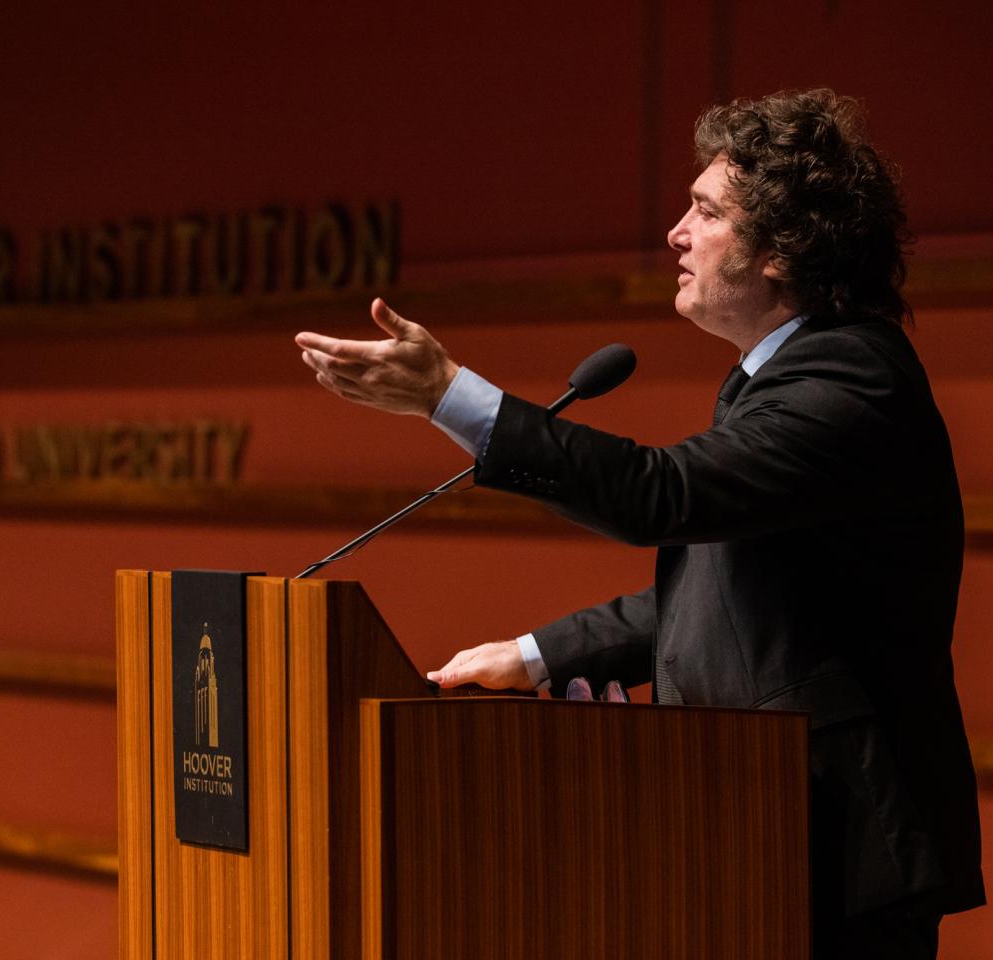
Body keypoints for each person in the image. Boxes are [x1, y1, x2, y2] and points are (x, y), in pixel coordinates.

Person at [295, 89, 984, 958]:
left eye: (705, 210)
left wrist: (450, 397)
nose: (675, 233)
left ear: (783, 249)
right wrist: (536, 656)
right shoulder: (779, 379)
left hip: (834, 843)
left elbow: (658, 496)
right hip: (764, 831)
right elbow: (729, 593)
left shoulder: (851, 382)